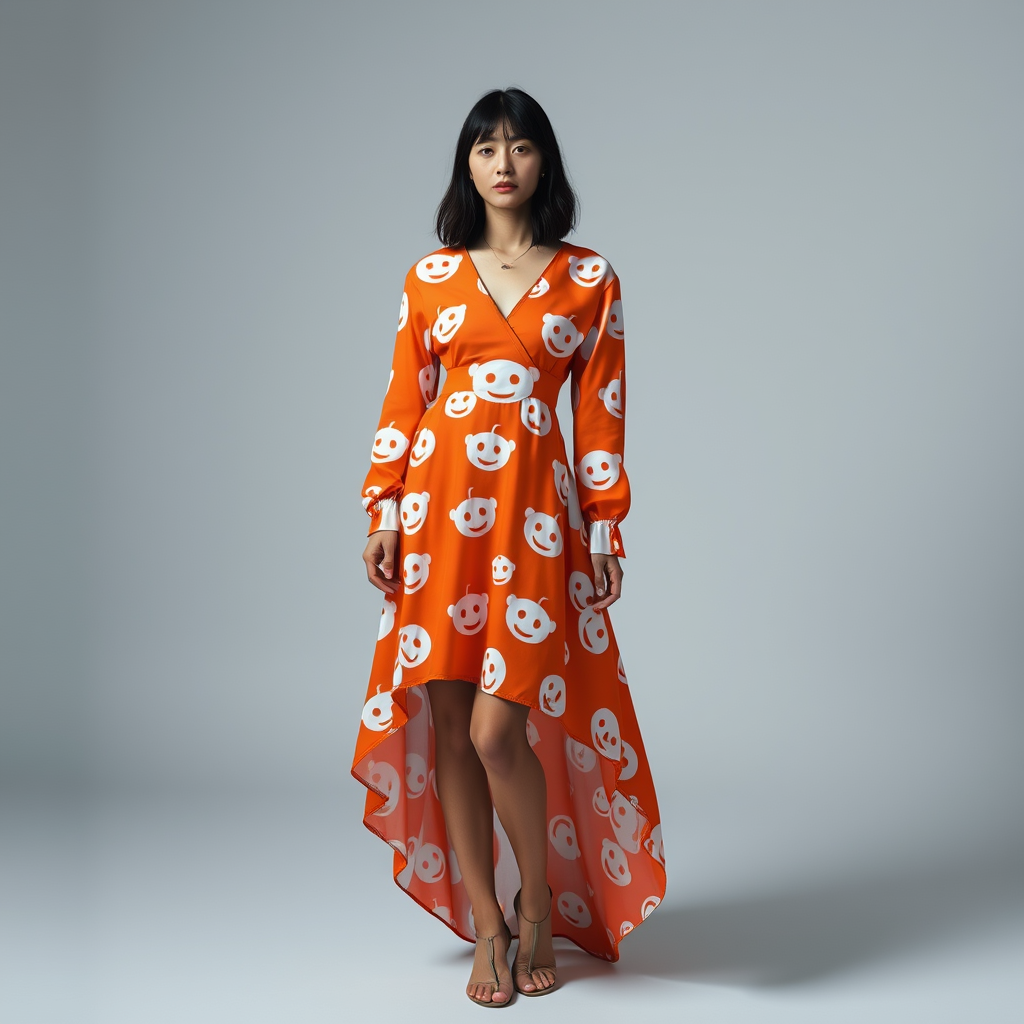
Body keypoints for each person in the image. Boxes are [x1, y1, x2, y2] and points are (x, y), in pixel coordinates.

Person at [352, 87, 666, 1007]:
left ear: (543, 164)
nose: (502, 163)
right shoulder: (430, 279)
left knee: (500, 730)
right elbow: (404, 402)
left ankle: (541, 910)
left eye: (520, 146)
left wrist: (606, 525)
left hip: (533, 525)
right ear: (468, 165)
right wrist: (383, 510)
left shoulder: (590, 278)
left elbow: (600, 418)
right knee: (451, 727)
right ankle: (491, 924)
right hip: (439, 518)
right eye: (485, 147)